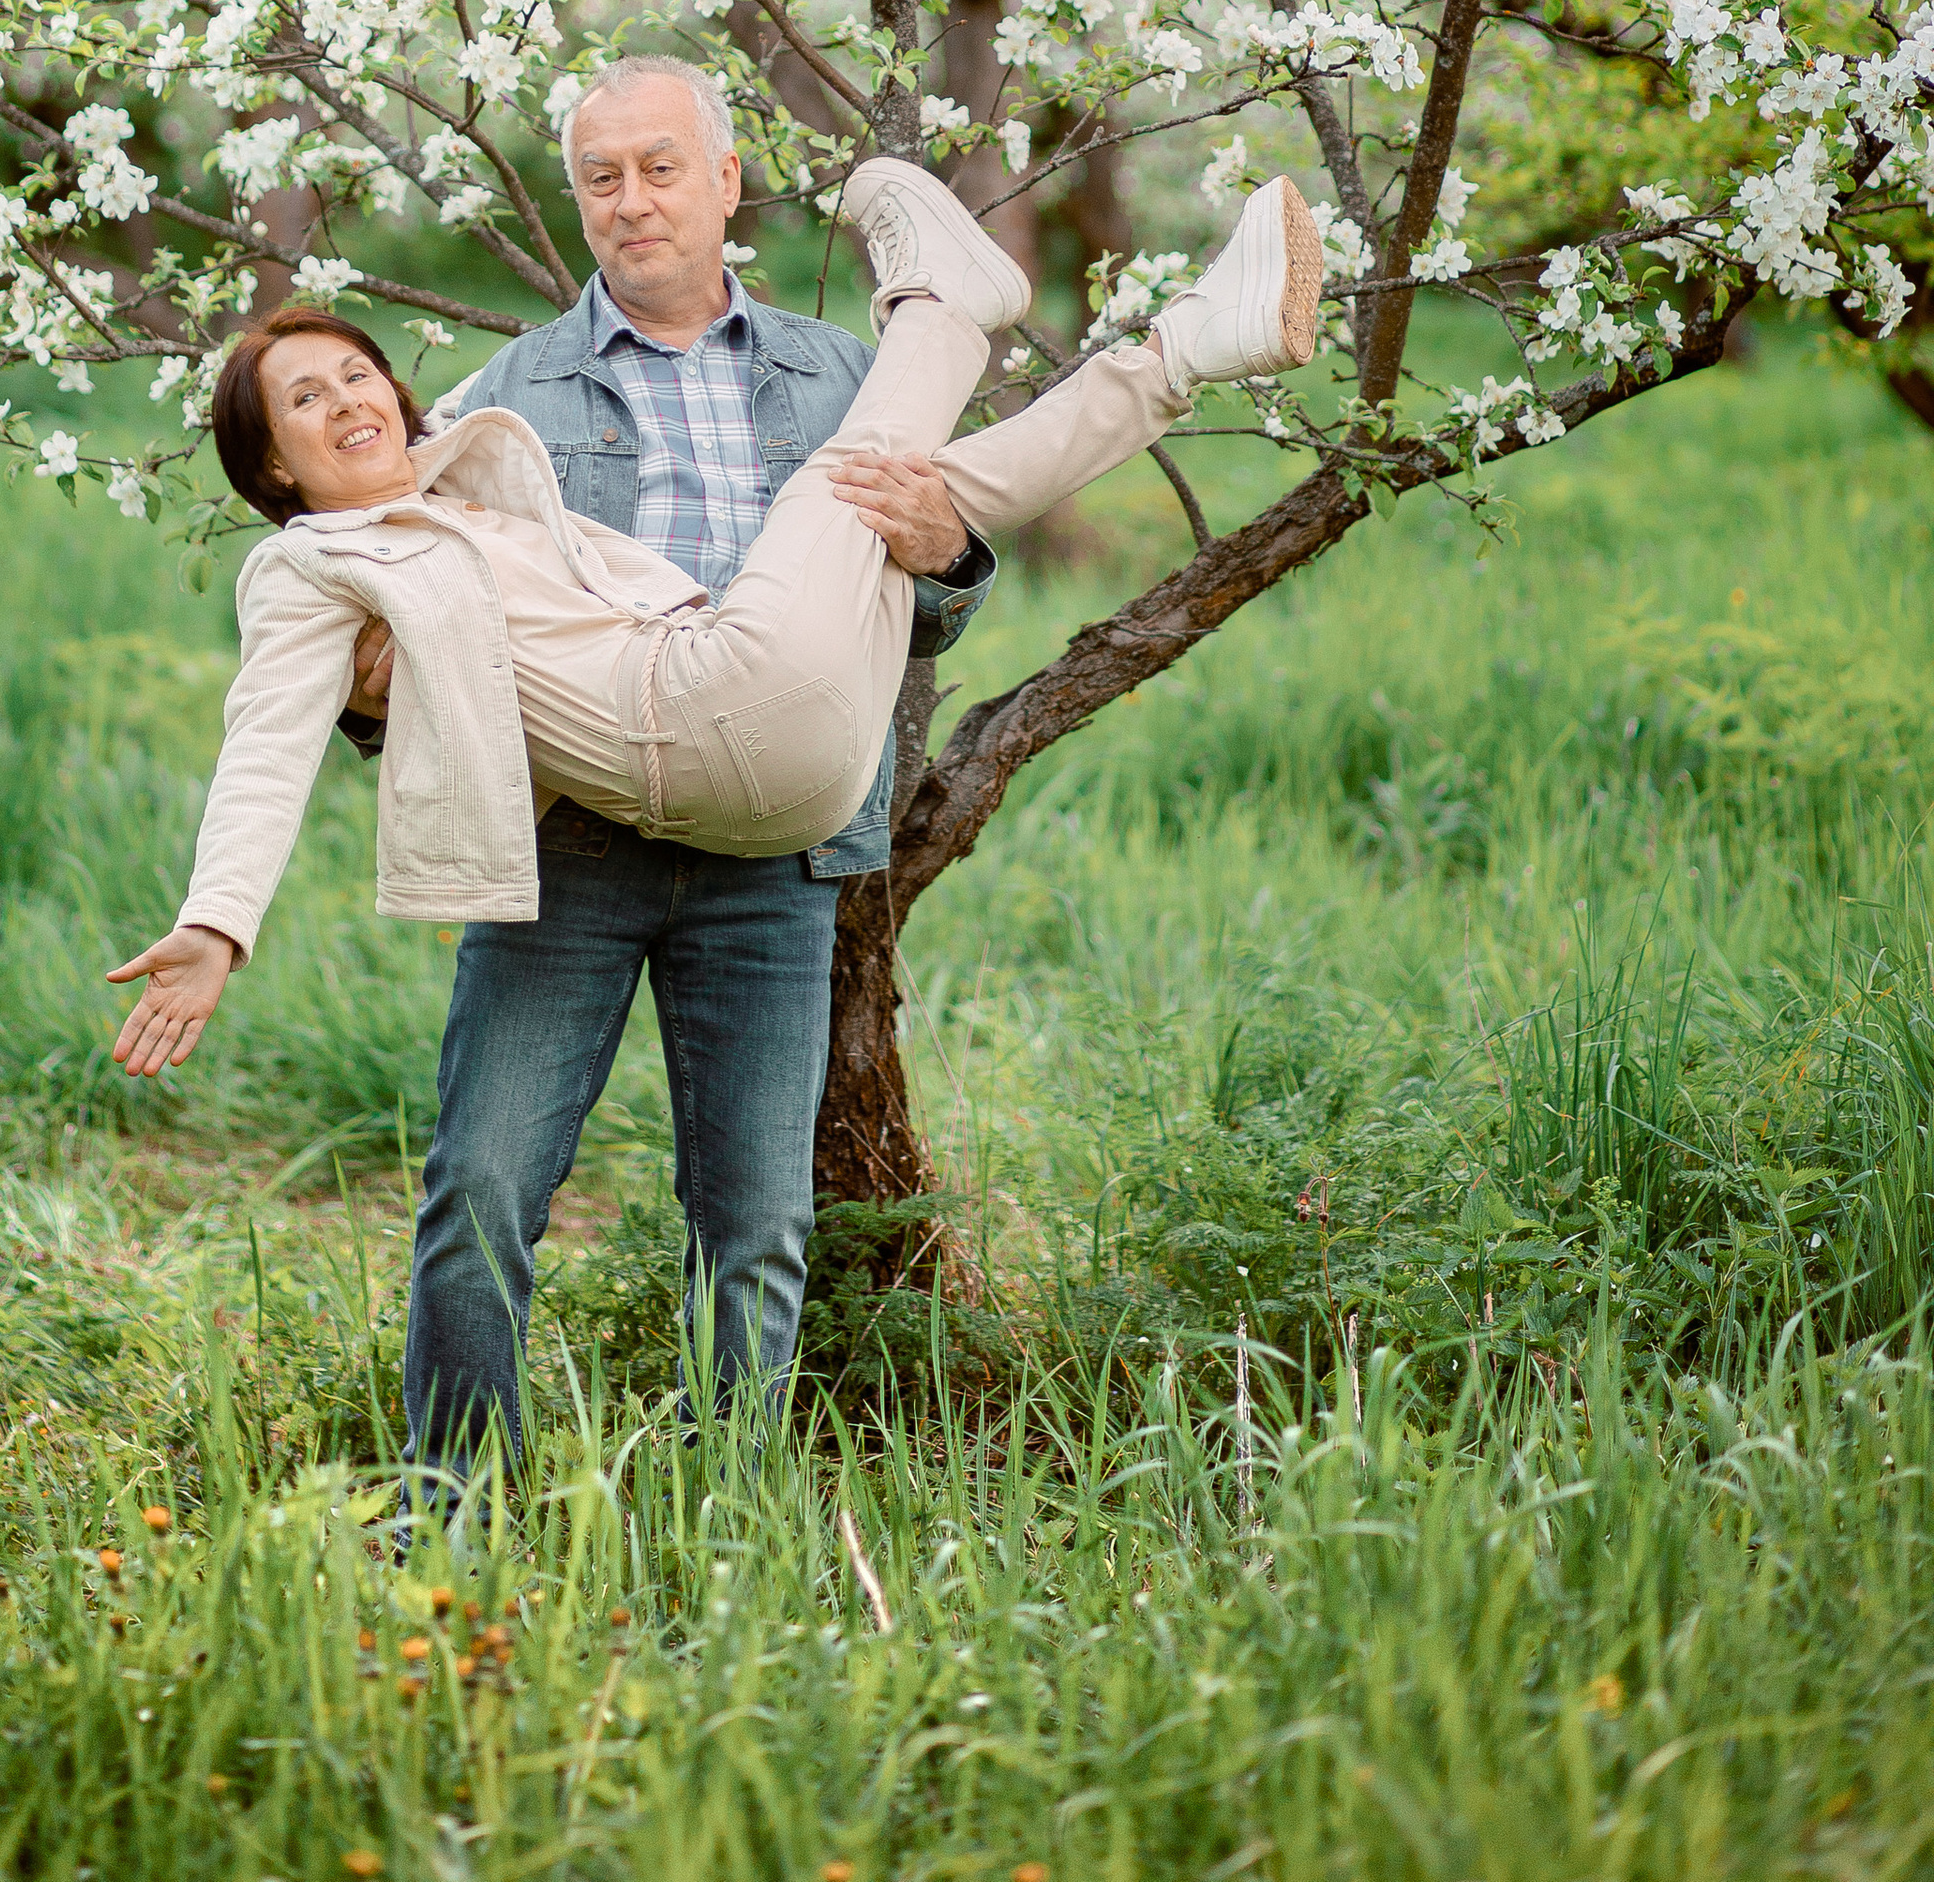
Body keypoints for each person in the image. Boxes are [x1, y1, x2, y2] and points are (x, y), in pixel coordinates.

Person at [109, 90, 1321, 1479]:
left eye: (659, 168)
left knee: (758, 1218)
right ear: (274, 464)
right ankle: (454, 1497)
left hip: (774, 796)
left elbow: (921, 610)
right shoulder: (436, 466)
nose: (631, 199)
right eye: (600, 178)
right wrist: (218, 921)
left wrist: (944, 556)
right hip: (599, 827)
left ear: (725, 182)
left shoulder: (780, 377)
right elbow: (277, 730)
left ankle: (725, 1502)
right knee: (483, 1189)